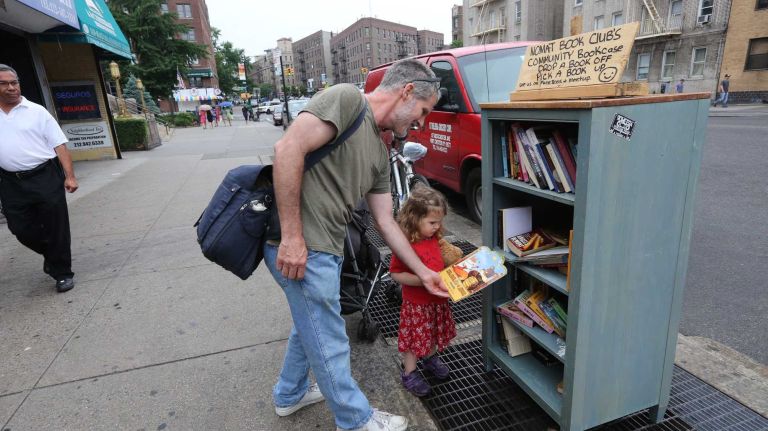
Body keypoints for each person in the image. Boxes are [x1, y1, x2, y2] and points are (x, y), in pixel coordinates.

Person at [266, 58, 446, 431]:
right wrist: (293, 236)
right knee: (329, 337)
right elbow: (287, 150)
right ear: (407, 91)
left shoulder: (380, 153)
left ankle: (290, 394)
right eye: (424, 112)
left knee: (310, 326)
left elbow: (386, 223)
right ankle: (355, 419)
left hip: (327, 247)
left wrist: (423, 271)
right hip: (304, 243)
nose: (422, 123)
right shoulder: (349, 100)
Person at [0, 64, 78, 293]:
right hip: (10, 182)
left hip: (44, 175)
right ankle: (52, 254)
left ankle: (62, 272)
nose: (11, 88)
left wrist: (70, 176)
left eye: (14, 83)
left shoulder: (37, 111)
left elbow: (59, 144)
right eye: (4, 84)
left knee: (57, 226)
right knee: (20, 228)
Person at [389, 186, 456, 397]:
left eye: (439, 222)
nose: (437, 227)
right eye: (432, 223)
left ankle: (429, 359)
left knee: (432, 335)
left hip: (436, 301)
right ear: (414, 218)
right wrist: (421, 280)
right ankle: (409, 373)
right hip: (417, 305)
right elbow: (395, 274)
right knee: (413, 343)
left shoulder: (433, 238)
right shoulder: (405, 245)